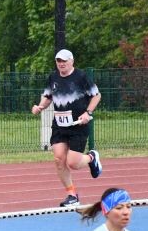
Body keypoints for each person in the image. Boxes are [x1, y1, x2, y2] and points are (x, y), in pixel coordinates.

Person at [31, 48, 104, 207]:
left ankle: (91, 158)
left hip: (78, 124)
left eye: (64, 61)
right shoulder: (53, 77)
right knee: (58, 159)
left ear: (72, 61)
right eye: (59, 61)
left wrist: (88, 112)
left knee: (73, 163)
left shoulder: (81, 77)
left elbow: (96, 95)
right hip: (60, 124)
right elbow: (48, 96)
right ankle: (72, 195)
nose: (61, 64)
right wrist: (40, 107)